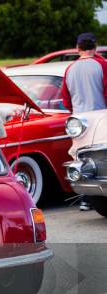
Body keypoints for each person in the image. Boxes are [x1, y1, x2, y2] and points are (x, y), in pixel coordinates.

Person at [61, 32, 107, 211]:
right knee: (101, 160)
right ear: (95, 48)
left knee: (81, 157)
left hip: (79, 122)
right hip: (101, 119)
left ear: (77, 48)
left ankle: (85, 198)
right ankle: (91, 197)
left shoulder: (70, 69)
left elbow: (65, 99)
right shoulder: (102, 65)